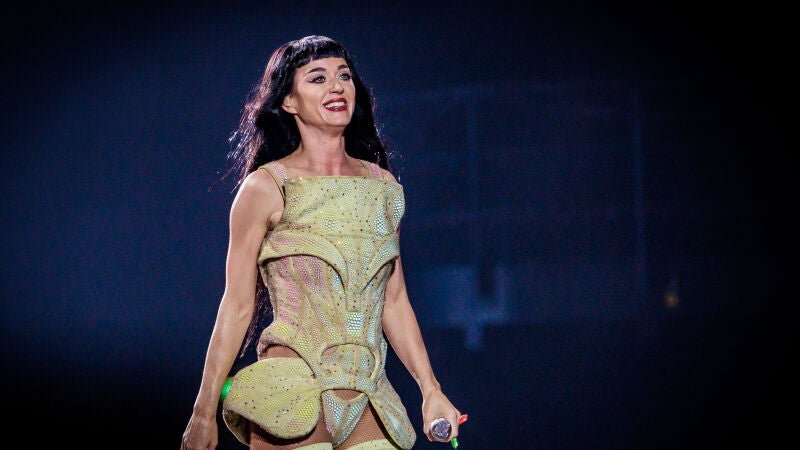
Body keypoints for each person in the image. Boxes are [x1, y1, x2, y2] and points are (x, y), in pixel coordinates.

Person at [180, 35, 461, 450]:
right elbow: (236, 305)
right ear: (288, 101)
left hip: (369, 392)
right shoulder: (266, 187)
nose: (336, 86)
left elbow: (395, 300)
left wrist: (430, 389)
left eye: (343, 76)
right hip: (292, 389)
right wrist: (203, 412)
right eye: (317, 78)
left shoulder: (383, 188)